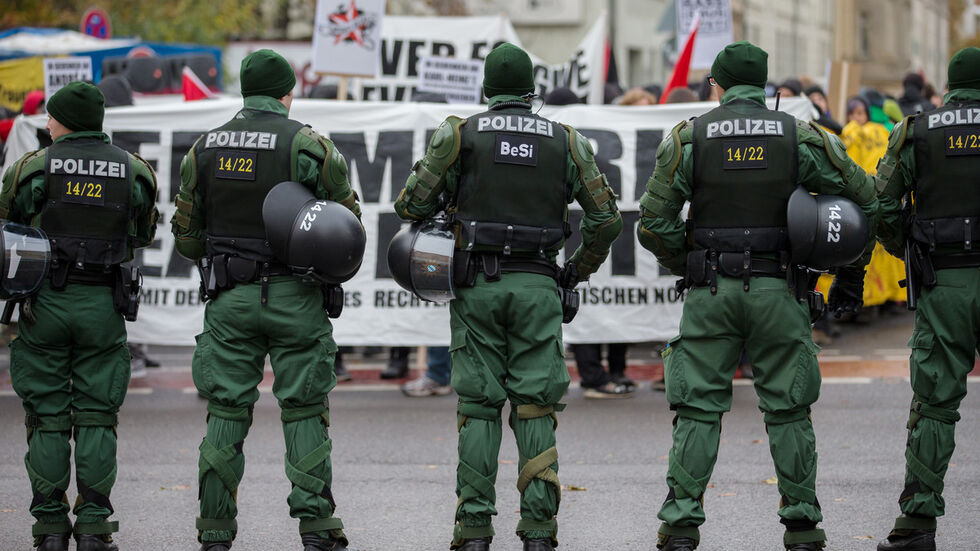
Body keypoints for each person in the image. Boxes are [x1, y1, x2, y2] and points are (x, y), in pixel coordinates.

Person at [637, 41, 878, 551]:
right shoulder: (799, 136)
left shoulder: (689, 138)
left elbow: (653, 223)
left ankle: (680, 527)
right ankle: (804, 527)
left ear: (717, 85)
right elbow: (864, 198)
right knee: (789, 409)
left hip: (710, 291)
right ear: (764, 84)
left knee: (698, 408)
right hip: (779, 290)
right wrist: (844, 274)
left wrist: (693, 264)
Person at [393, 42, 622, 551]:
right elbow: (607, 220)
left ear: (487, 90)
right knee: (537, 407)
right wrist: (574, 273)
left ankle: (474, 531)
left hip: (475, 287)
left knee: (478, 407)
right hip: (539, 287)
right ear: (529, 91)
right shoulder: (567, 141)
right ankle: (539, 532)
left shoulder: (460, 134)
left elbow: (410, 203)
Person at [171, 49, 361, 551]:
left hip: (230, 297)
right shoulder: (308, 145)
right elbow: (347, 223)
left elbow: (187, 240)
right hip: (297, 296)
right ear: (287, 91)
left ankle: (214, 532)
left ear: (243, 90)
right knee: (303, 409)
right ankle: (317, 528)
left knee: (226, 413)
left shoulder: (204, 149)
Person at [0, 81, 159, 551]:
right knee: (96, 415)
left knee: (47, 415)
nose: (46, 123)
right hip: (102, 306)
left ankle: (49, 528)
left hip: (43, 301)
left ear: (64, 120)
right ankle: (93, 526)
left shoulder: (30, 169)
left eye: (51, 116)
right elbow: (144, 234)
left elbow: (8, 226)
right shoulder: (134, 171)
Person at [873, 47, 980, 551]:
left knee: (935, 404)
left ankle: (917, 525)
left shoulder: (917, 130)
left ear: (951, 85)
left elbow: (881, 204)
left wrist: (909, 250)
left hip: (945, 279)